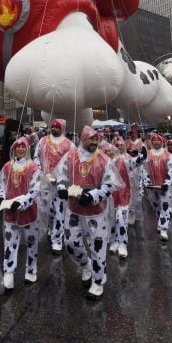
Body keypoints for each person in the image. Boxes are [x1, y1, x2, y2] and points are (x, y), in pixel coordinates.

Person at [54, 125, 119, 300]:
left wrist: (92, 196)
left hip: (96, 212)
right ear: (83, 139)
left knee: (97, 247)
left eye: (96, 139)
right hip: (74, 210)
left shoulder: (104, 159)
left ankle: (98, 282)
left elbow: (109, 185)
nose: (94, 142)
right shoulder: (70, 156)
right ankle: (85, 264)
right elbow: (61, 174)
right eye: (91, 139)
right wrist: (61, 187)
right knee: (71, 242)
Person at [0, 137, 41, 289]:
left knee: (31, 242)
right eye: (17, 147)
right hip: (10, 213)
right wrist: (1, 197)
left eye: (23, 147)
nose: (20, 149)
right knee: (10, 243)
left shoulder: (33, 167)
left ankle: (31, 269)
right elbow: (3, 185)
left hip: (29, 213)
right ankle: (8, 273)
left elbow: (34, 191)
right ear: (13, 148)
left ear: (27, 149)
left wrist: (21, 203)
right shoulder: (8, 166)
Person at [35, 118, 73, 254]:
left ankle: (57, 241)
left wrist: (63, 177)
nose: (54, 129)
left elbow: (72, 162)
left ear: (62, 128)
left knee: (59, 211)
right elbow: (36, 157)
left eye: (57, 127)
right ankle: (52, 229)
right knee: (47, 209)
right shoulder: (43, 141)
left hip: (61, 183)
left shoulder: (69, 144)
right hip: (45, 182)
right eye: (53, 126)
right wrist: (40, 172)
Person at [141, 132, 172, 241]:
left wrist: (166, 183)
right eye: (154, 140)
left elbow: (171, 169)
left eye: (158, 140)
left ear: (161, 142)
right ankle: (161, 221)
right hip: (152, 186)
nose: (156, 142)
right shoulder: (148, 154)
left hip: (164, 186)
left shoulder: (167, 154)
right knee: (155, 206)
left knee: (165, 206)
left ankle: (164, 229)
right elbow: (144, 169)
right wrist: (147, 182)